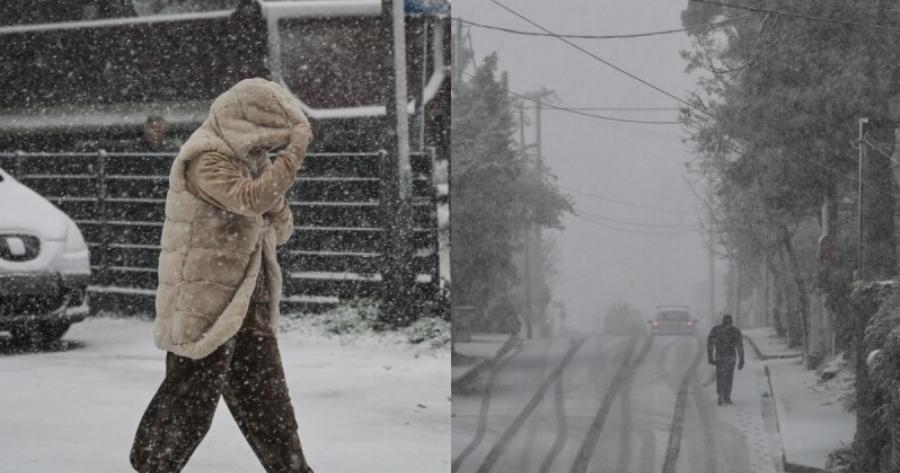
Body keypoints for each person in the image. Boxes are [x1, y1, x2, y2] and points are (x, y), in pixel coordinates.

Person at [130, 78, 315, 473]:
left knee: (271, 410)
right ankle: (152, 467)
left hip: (248, 302)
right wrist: (292, 155)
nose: (266, 152)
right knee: (188, 407)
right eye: (264, 142)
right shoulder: (205, 158)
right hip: (207, 308)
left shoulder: (250, 162)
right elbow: (250, 200)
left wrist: (272, 190)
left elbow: (281, 228)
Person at [707, 313, 745, 406]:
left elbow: (710, 344)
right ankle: (726, 396)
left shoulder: (716, 330)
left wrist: (710, 357)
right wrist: (741, 360)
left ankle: (720, 394)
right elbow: (739, 346)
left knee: (720, 376)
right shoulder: (735, 331)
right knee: (729, 377)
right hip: (731, 358)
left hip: (720, 357)